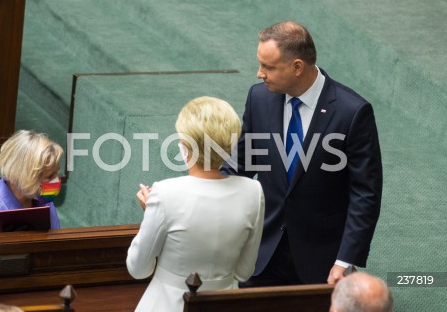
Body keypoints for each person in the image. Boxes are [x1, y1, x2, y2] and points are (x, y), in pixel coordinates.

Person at [221, 21, 383, 286]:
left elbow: (365, 192)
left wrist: (345, 260)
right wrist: (195, 191)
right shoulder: (259, 99)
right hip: (262, 257)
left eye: (268, 67)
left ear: (297, 67)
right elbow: (241, 162)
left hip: (322, 263)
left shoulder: (352, 112)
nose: (259, 73)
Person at [127, 96, 265, 312]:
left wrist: (151, 214)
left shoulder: (164, 194)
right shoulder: (253, 192)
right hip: (224, 304)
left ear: (184, 147)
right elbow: (244, 272)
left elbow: (138, 268)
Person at [0, 130, 63, 230]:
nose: (56, 180)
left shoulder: (41, 197)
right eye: (49, 176)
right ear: (26, 176)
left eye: (56, 172)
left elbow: (53, 235)